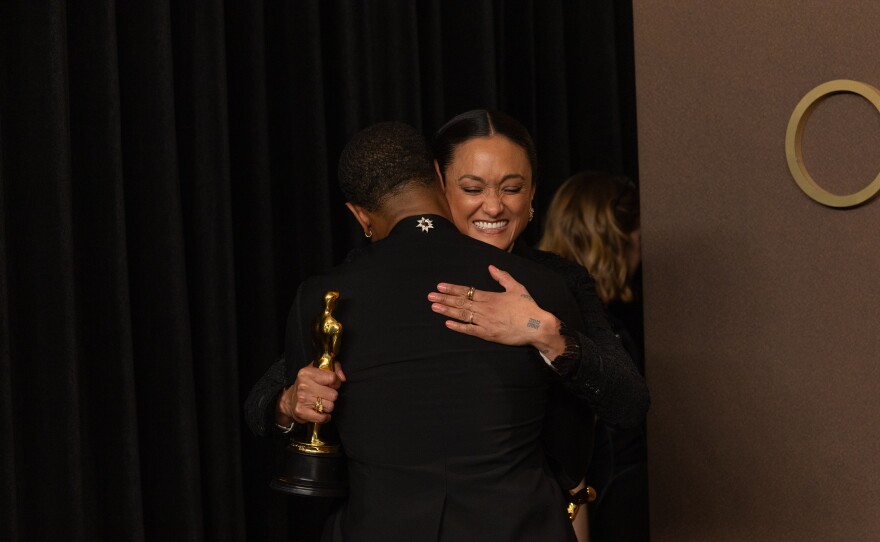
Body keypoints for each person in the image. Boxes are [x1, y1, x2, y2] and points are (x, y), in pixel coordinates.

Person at [247, 111, 651, 540]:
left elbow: (627, 403)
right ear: (438, 183)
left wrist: (544, 332)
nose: (493, 206)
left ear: (533, 194)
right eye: (472, 188)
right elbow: (266, 399)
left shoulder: (555, 281)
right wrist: (290, 402)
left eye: (512, 188)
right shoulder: (356, 283)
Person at [538, 171, 648, 542]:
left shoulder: (568, 315)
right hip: (601, 513)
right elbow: (571, 452)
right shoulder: (576, 330)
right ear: (618, 237)